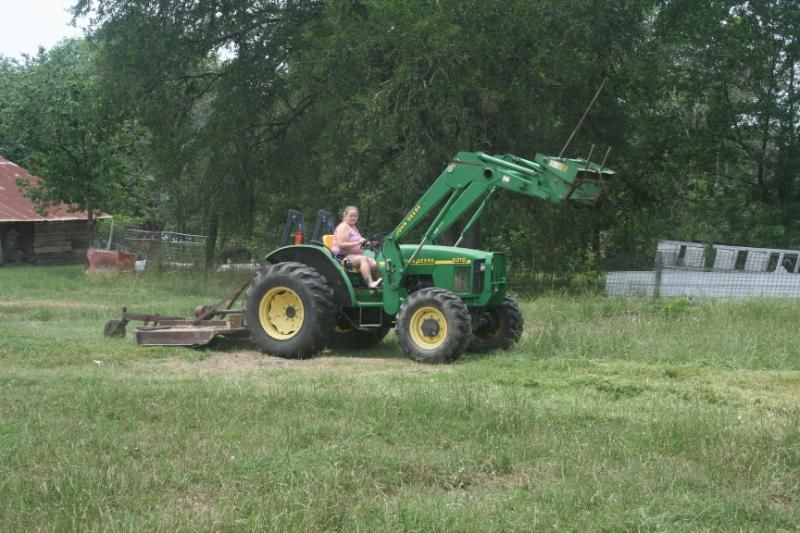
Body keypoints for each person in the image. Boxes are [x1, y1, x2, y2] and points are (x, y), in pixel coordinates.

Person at [332, 205, 382, 289]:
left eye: (355, 216)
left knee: (376, 263)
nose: (353, 218)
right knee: (363, 259)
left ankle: (379, 284)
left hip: (353, 257)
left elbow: (360, 240)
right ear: (345, 216)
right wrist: (357, 243)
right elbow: (341, 244)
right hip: (342, 259)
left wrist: (370, 243)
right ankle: (370, 284)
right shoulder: (343, 227)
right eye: (351, 216)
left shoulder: (353, 227)